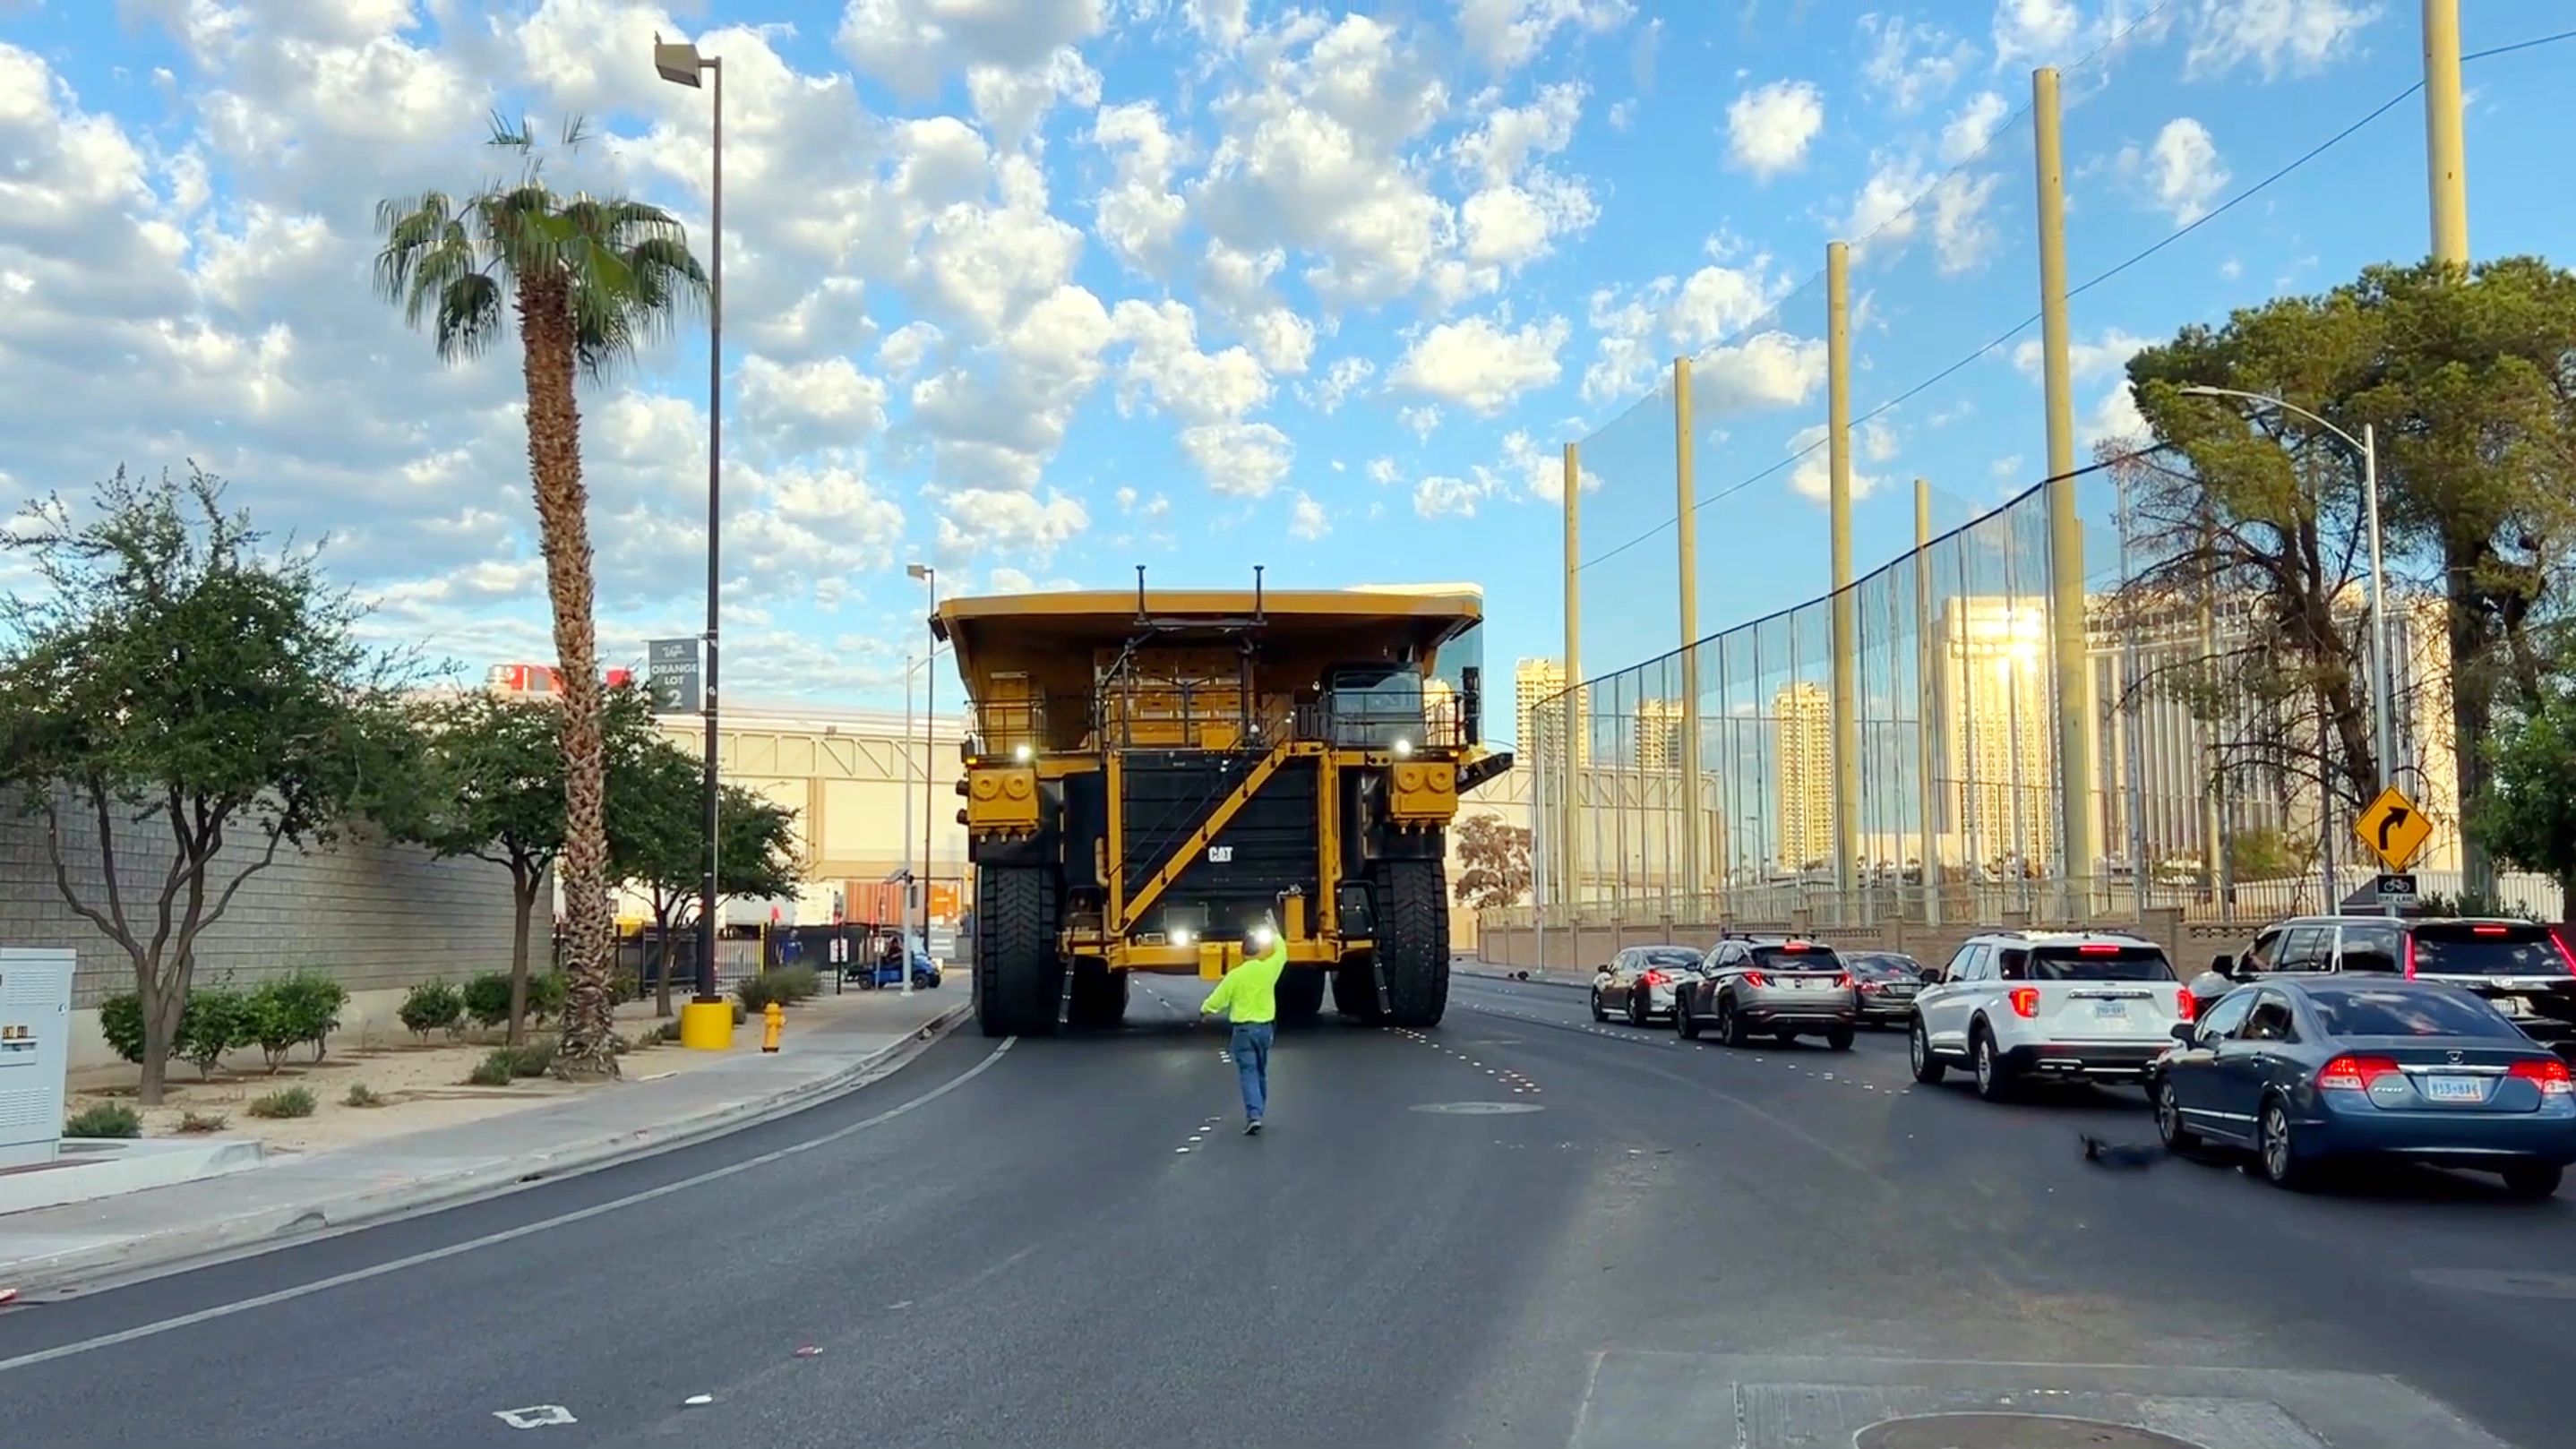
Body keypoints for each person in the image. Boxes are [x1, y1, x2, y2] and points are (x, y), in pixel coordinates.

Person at [1199, 915, 1289, 1135]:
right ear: (1259, 951)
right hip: (1265, 1029)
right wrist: (1275, 930)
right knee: (1260, 1071)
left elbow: (1218, 999)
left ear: (1242, 953)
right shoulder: (1269, 970)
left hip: (1243, 1031)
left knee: (1248, 1071)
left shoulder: (1235, 976)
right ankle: (1259, 1110)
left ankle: (1254, 1114)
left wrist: (1205, 1010)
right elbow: (1283, 953)